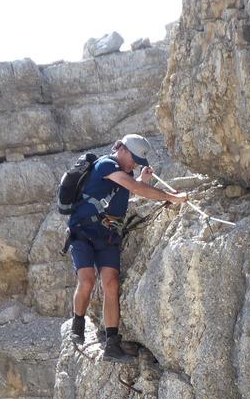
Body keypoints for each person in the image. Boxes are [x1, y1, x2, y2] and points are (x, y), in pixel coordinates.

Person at [66, 134, 187, 362]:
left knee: (111, 283)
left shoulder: (126, 173)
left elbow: (128, 190)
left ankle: (112, 343)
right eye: (133, 160)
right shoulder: (105, 165)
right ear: (122, 149)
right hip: (83, 232)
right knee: (88, 280)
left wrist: (142, 179)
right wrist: (172, 197)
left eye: (137, 164)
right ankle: (77, 324)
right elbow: (134, 188)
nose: (134, 165)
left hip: (107, 235)